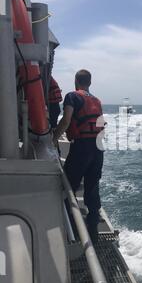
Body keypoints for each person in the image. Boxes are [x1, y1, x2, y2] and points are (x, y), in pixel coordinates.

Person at [53, 70, 105, 237]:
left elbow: (66, 120)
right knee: (92, 187)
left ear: (76, 80)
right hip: (98, 149)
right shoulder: (97, 100)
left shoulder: (72, 97)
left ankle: (72, 230)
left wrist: (53, 138)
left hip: (81, 148)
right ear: (90, 82)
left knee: (68, 186)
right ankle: (93, 229)